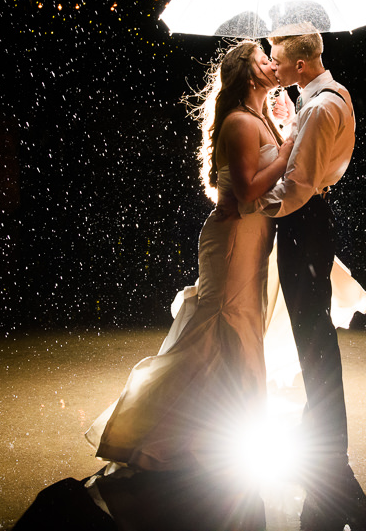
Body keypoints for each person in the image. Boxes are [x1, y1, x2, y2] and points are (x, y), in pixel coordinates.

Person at [85, 39, 292, 473]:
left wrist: (284, 131)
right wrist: (289, 149)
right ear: (248, 75)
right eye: (262, 59)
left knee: (241, 331)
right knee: (222, 327)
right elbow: (250, 189)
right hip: (233, 240)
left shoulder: (261, 118)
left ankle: (220, 436)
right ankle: (157, 433)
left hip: (251, 236)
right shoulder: (239, 122)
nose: (272, 63)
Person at [248, 28, 366, 531]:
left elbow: (299, 185)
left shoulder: (322, 107)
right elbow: (306, 162)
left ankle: (328, 441)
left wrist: (252, 205)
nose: (274, 69)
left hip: (304, 224)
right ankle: (321, 432)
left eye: (279, 61)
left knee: (315, 336)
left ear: (300, 66)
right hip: (311, 222)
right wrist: (289, 127)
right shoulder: (323, 99)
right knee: (313, 333)